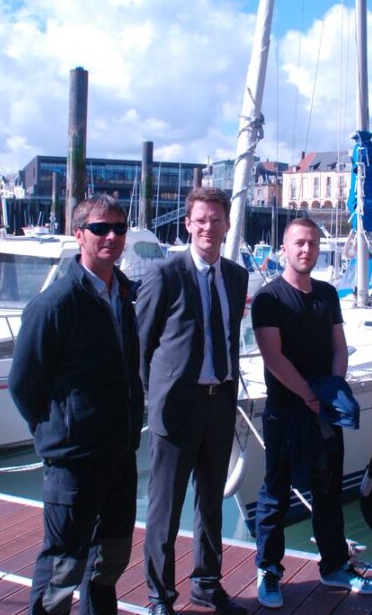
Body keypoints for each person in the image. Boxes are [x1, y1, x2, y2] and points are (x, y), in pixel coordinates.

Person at [8, 195, 143, 615]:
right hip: (75, 458)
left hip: (120, 452)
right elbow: (24, 383)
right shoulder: (56, 304)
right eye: (101, 228)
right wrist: (59, 431)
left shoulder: (123, 294)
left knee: (110, 557)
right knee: (63, 563)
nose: (111, 237)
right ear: (79, 233)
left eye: (119, 228)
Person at [251, 218, 372, 609]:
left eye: (312, 243)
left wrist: (333, 389)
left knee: (328, 489)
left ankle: (335, 565)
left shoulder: (326, 294)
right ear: (284, 250)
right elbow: (273, 357)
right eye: (298, 244)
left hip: (324, 409)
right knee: (275, 491)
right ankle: (269, 571)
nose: (306, 250)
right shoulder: (269, 299)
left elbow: (339, 346)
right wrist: (310, 396)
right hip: (287, 412)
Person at [137, 187, 250, 615]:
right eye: (200, 219)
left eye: (216, 219)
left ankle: (206, 584)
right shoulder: (165, 274)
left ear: (226, 225)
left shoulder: (237, 277)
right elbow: (142, 346)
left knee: (210, 504)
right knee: (165, 507)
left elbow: (229, 341)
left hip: (220, 404)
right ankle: (159, 596)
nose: (208, 226)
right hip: (175, 408)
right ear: (188, 224)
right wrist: (155, 398)